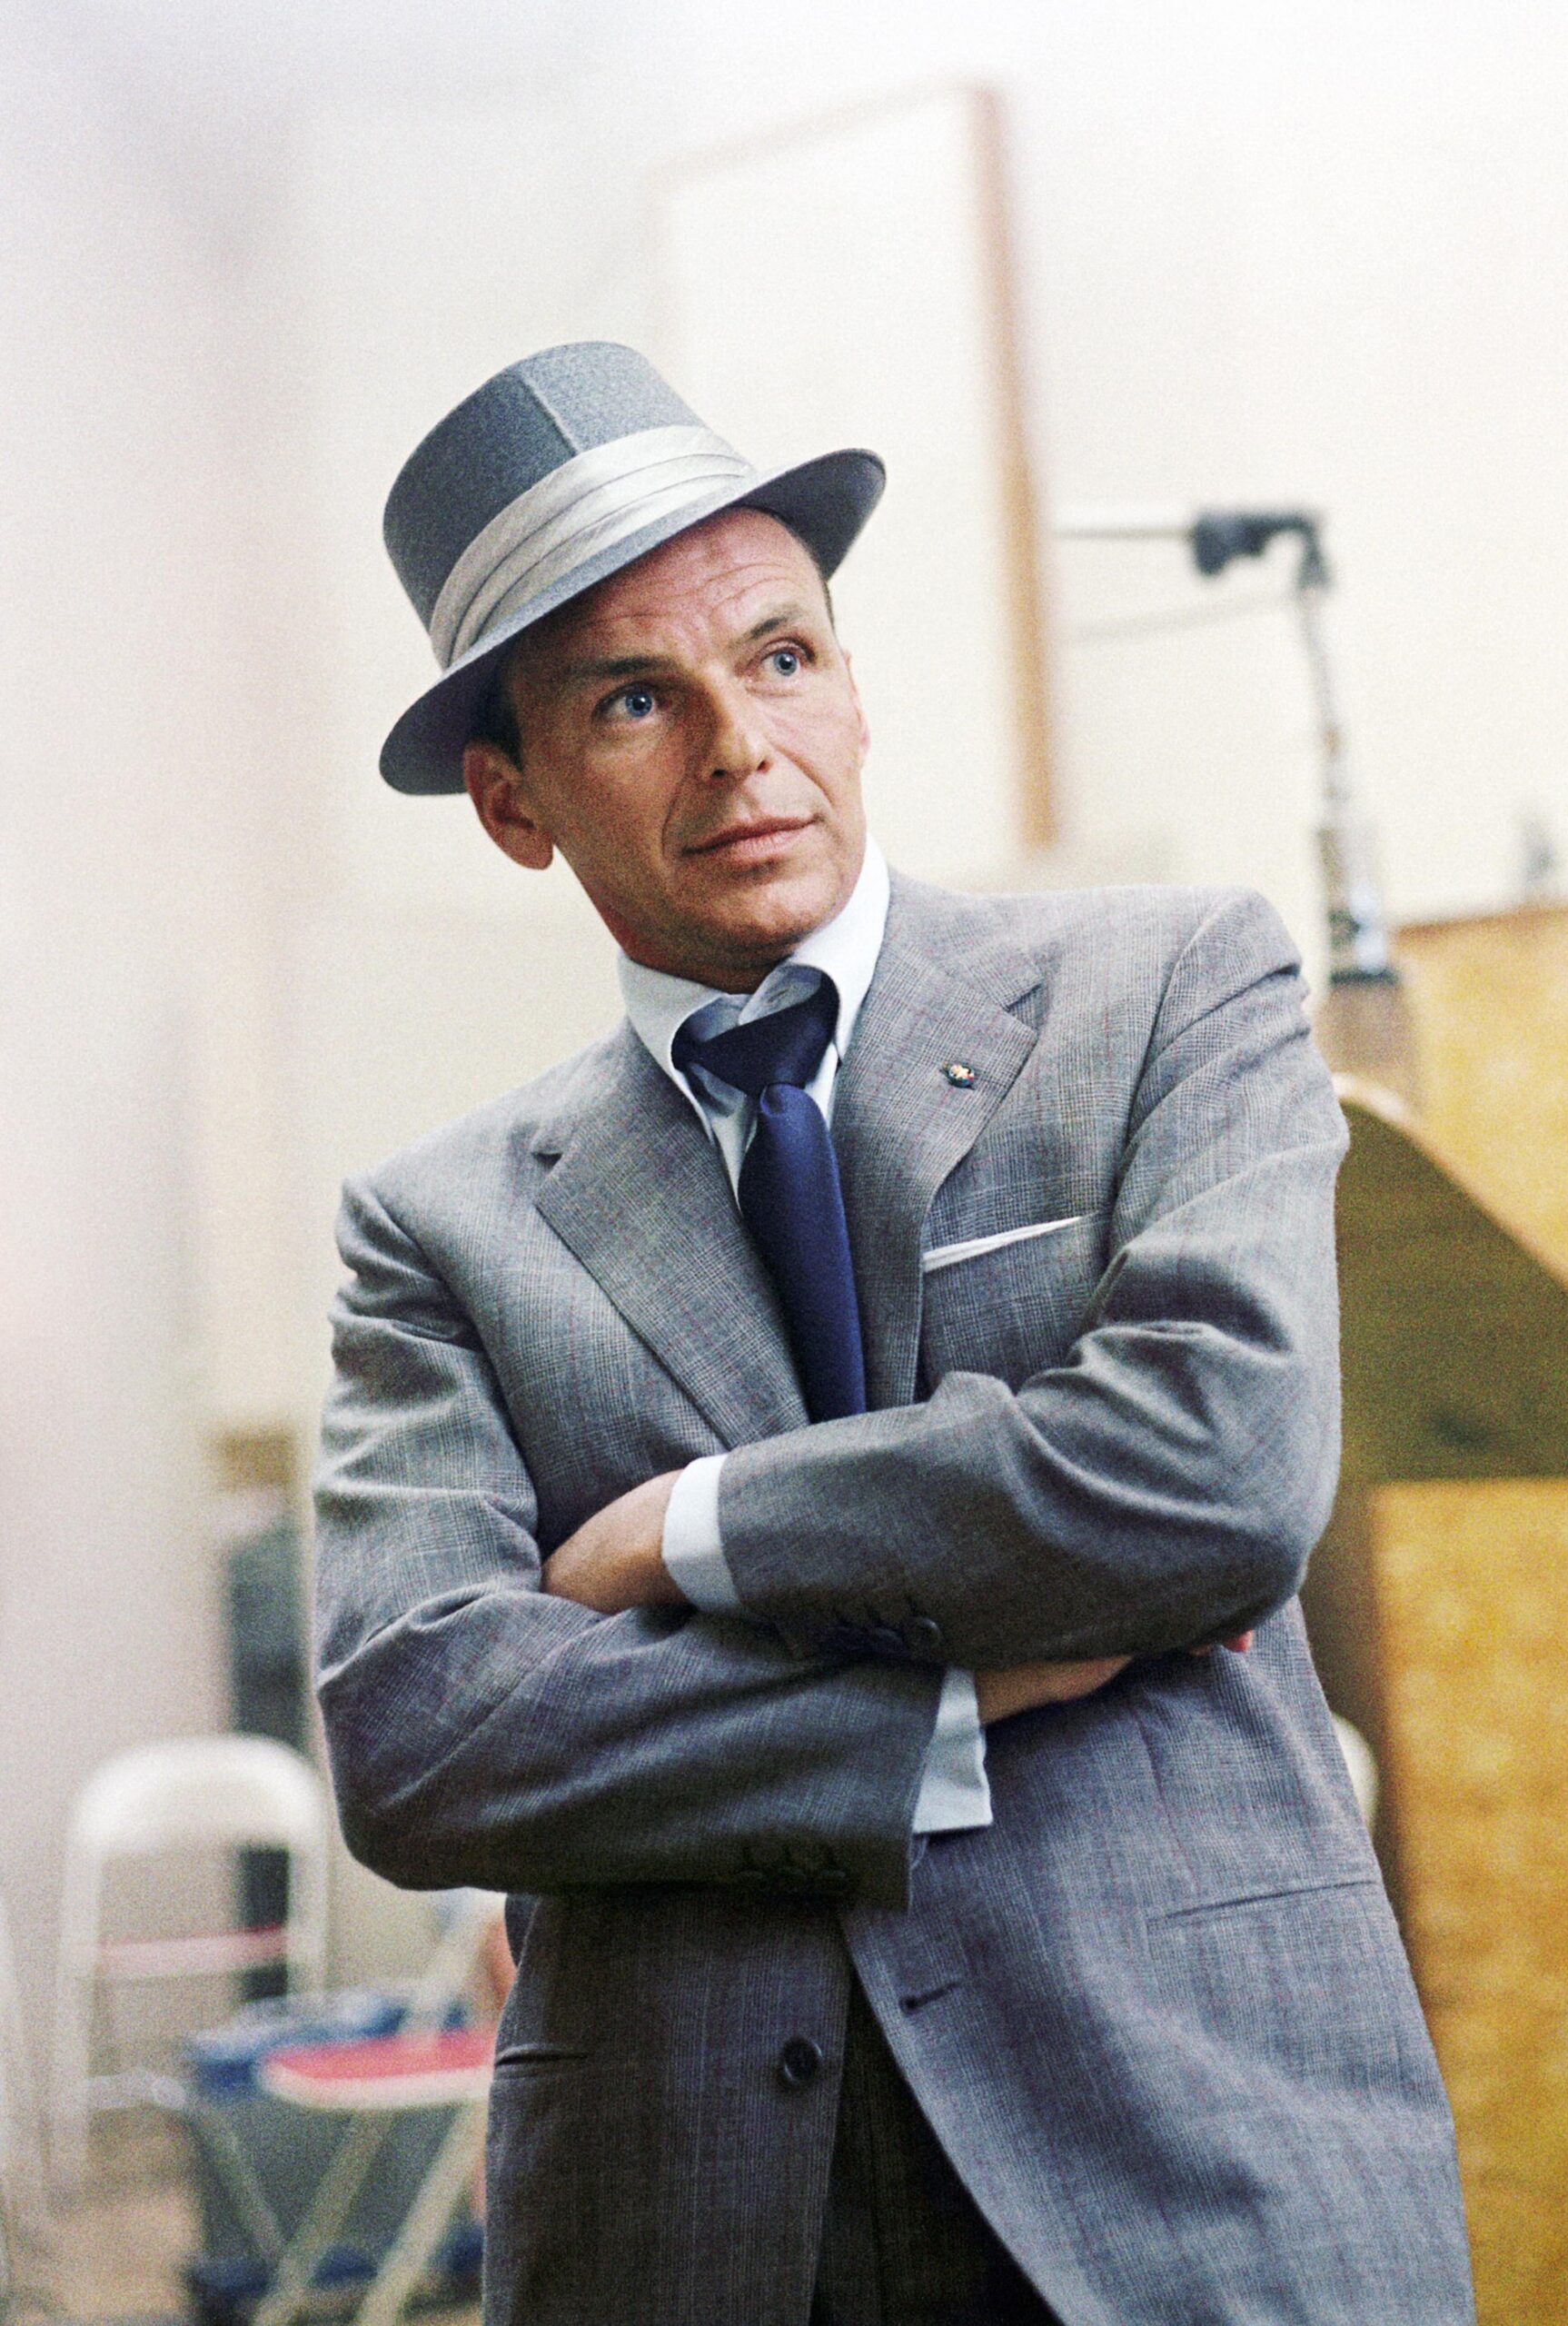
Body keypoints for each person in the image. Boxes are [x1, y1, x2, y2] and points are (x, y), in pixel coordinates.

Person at [314, 341, 1473, 2324]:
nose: (738, 747)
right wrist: (944, 1706)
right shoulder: (440, 1226)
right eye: (633, 700)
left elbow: (1209, 1476)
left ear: (853, 687)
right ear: (512, 801)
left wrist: (688, 1530)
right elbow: (425, 1736)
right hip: (697, 2229)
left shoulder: (1171, 989)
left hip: (1198, 2167)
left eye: (779, 659)